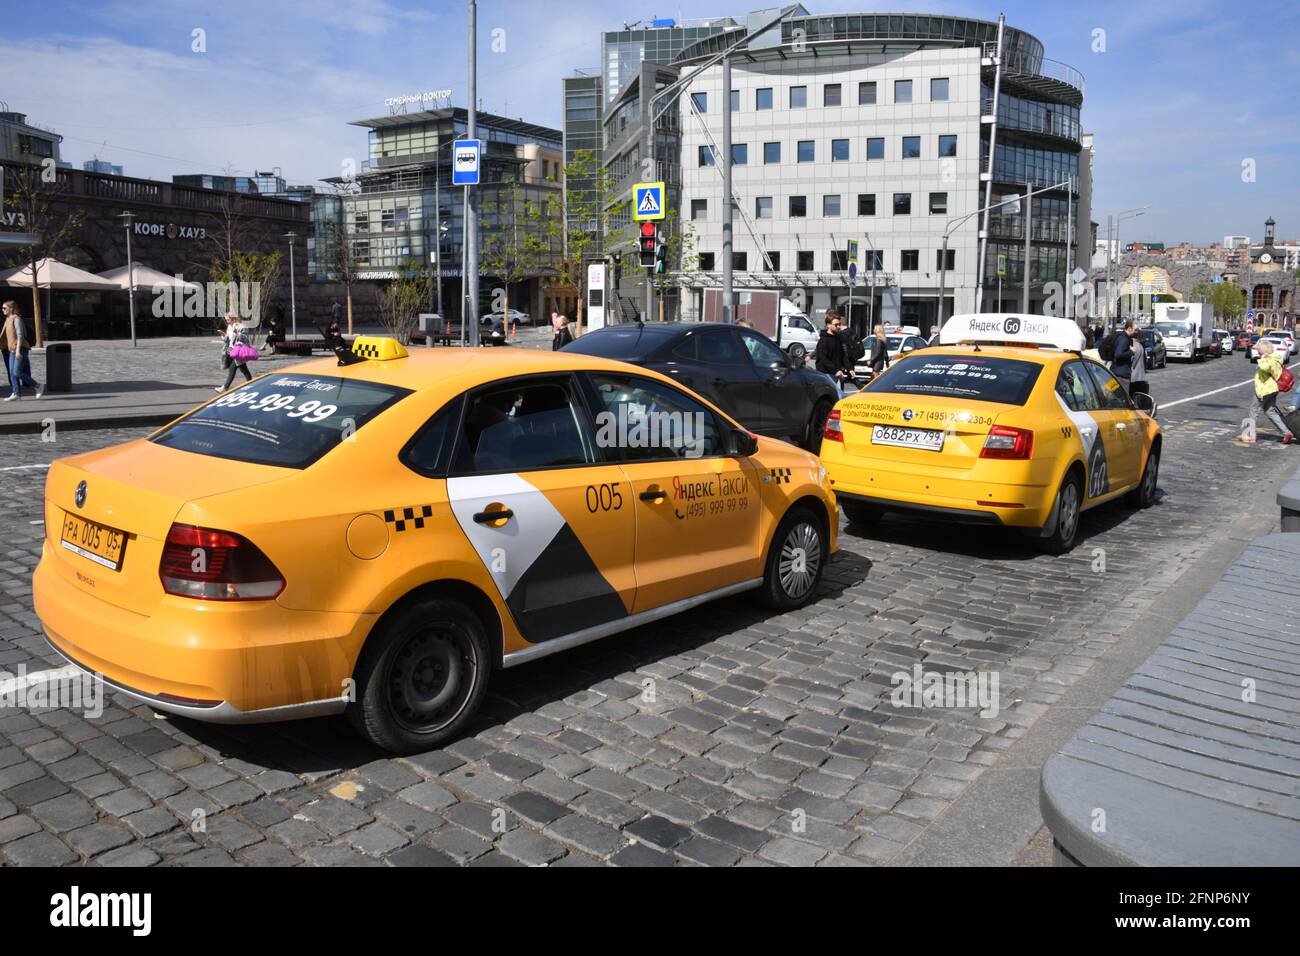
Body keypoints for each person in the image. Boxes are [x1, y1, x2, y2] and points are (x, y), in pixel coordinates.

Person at [1240, 338, 1293, 444]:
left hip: (1265, 390)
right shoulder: (1276, 358)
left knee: (1253, 410)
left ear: (1264, 350)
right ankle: (1286, 432)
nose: (1258, 352)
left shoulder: (1270, 360)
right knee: (1270, 411)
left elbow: (1265, 367)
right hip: (1272, 389)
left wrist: (1263, 358)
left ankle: (1250, 435)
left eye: (1259, 350)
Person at [2, 300, 43, 401]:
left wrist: (18, 351)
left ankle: (37, 386)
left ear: (11, 309)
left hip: (20, 348)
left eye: (4, 308)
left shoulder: (16, 319)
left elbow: (20, 336)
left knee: (17, 372)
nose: (2, 310)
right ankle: (16, 393)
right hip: (11, 349)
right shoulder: (8, 319)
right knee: (12, 372)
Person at [216, 313, 253, 393]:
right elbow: (227, 340)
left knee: (240, 369)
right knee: (241, 369)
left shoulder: (241, 326)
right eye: (226, 320)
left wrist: (237, 334)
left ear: (233, 318)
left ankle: (225, 387)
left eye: (228, 320)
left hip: (239, 350)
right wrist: (223, 335)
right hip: (233, 350)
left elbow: (245, 338)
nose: (227, 321)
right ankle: (250, 383)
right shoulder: (229, 326)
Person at [815, 312, 849, 395]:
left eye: (839, 324)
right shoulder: (823, 340)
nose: (838, 326)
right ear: (828, 325)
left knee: (839, 398)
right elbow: (823, 358)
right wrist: (835, 370)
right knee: (833, 397)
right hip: (826, 374)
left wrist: (849, 368)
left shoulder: (838, 338)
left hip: (837, 374)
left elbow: (842, 355)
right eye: (836, 324)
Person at [1110, 321, 1136, 394]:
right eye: (1135, 329)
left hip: (1117, 372)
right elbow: (1118, 355)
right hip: (1121, 376)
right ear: (1130, 328)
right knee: (1123, 401)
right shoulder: (1124, 339)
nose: (1135, 331)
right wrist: (1131, 352)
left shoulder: (1124, 337)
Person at [1129, 328, 1149, 400]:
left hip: (1134, 378)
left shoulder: (1134, 345)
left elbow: (1133, 362)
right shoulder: (1140, 345)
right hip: (1140, 377)